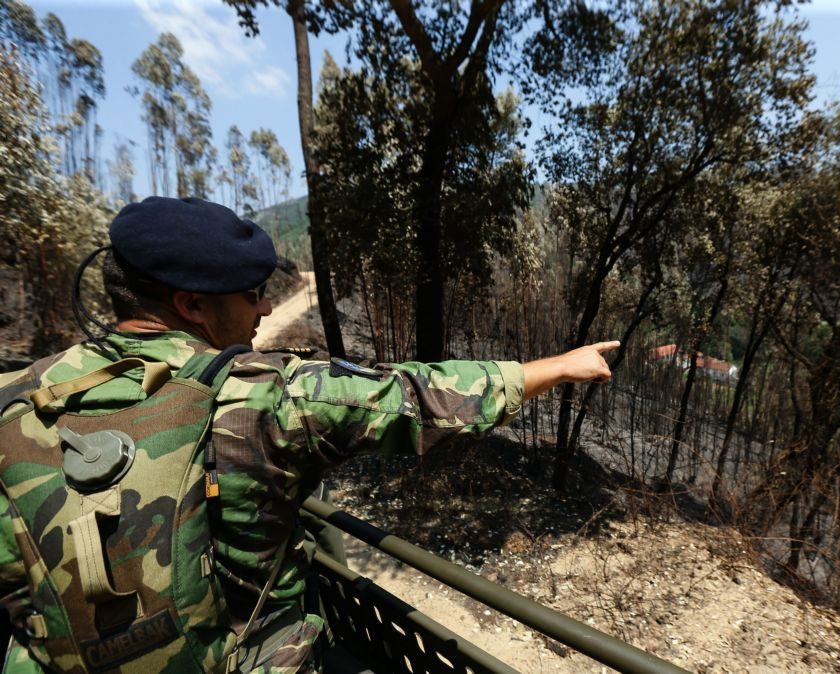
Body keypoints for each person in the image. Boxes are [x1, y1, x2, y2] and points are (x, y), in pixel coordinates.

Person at [0, 196, 618, 673]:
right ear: (191, 305)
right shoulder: (265, 393)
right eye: (252, 294)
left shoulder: (15, 398)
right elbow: (418, 397)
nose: (264, 309)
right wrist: (559, 366)